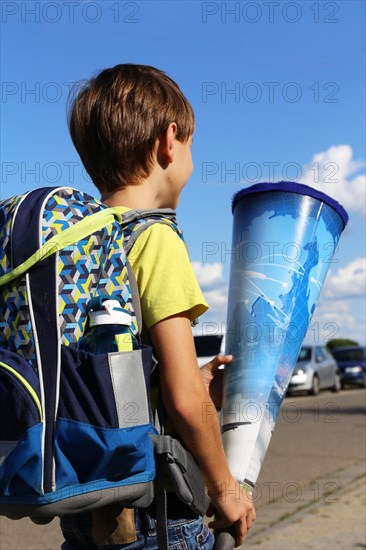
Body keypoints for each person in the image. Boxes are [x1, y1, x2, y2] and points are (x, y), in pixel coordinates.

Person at [61, 63, 255, 549]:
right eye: (191, 145)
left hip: (84, 509)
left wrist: (188, 377)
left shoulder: (79, 249)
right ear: (170, 141)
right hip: (157, 515)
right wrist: (226, 490)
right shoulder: (156, 239)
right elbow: (186, 401)